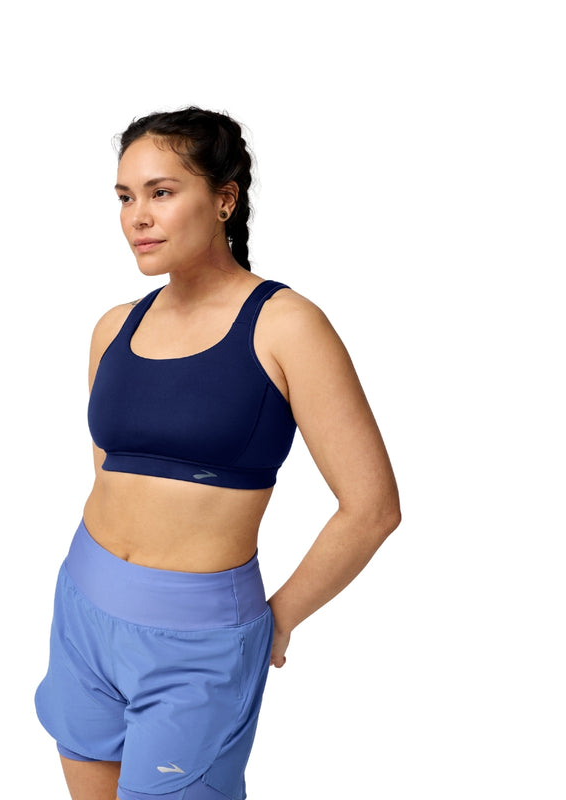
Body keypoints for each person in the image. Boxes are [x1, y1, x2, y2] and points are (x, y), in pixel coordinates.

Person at [35, 107, 401, 800]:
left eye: (162, 192)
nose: (138, 217)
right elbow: (110, 472)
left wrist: (277, 620)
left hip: (197, 640)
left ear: (225, 200)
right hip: (83, 609)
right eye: (125, 197)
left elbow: (373, 507)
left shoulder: (286, 326)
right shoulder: (114, 327)